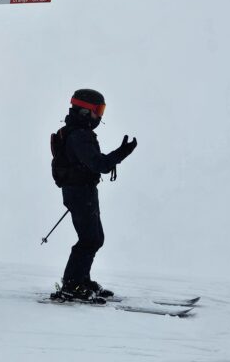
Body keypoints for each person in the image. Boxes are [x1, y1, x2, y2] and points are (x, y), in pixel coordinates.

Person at [51, 88, 137, 301]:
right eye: (98, 110)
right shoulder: (79, 136)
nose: (100, 115)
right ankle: (72, 284)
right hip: (79, 192)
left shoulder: (77, 132)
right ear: (84, 111)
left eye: (102, 110)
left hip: (81, 191)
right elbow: (100, 164)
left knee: (93, 238)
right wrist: (121, 153)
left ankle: (81, 280)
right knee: (90, 239)